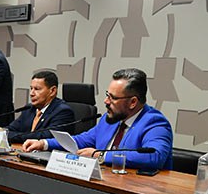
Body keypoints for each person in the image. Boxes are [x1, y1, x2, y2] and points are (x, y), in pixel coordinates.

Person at [22, 68, 173, 170]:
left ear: (133, 102)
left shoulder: (154, 123)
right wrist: (44, 143)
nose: (106, 102)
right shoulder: (110, 120)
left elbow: (154, 156)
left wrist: (100, 155)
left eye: (113, 98)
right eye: (107, 95)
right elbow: (82, 140)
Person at [0, 70, 74, 144]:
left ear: (52, 91)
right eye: (31, 88)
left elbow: (43, 137)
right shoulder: (29, 108)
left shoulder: (63, 112)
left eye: (37, 89)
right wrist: (0, 131)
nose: (31, 93)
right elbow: (13, 128)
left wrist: (7, 134)